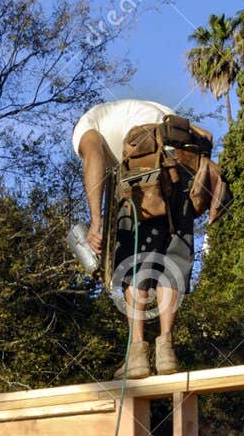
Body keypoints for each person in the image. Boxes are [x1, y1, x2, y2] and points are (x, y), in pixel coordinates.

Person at [73, 97, 224, 378]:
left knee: (135, 263)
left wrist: (96, 222)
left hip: (147, 173)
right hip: (185, 171)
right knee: (173, 260)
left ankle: (137, 355)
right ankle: (166, 351)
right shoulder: (152, 110)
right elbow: (206, 135)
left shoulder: (86, 125)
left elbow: (93, 158)